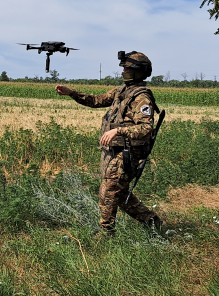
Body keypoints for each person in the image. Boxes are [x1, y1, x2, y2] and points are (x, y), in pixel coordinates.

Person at [55, 51, 162, 236]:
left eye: (127, 68)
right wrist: (71, 93)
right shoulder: (122, 91)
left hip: (127, 153)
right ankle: (151, 220)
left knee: (109, 191)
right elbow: (96, 100)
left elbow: (145, 128)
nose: (122, 72)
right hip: (115, 151)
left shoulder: (141, 97)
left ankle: (106, 233)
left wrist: (118, 130)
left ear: (137, 71)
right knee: (119, 194)